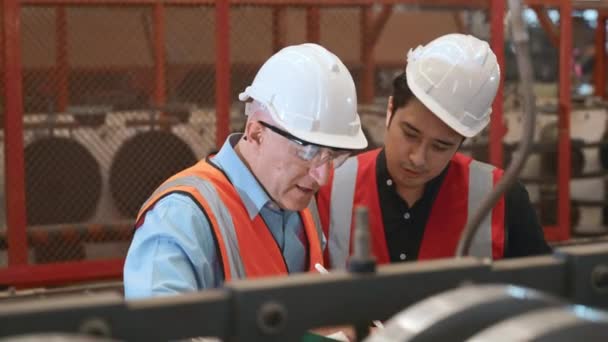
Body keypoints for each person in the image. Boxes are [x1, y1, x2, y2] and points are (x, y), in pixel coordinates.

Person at [123, 43, 368, 298]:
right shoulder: (180, 218)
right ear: (256, 133)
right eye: (308, 152)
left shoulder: (301, 203)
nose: (323, 176)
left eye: (333, 156)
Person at [315, 33, 551, 269]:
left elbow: (543, 293)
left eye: (441, 146)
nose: (418, 158)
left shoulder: (502, 199)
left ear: (461, 141)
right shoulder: (327, 189)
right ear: (390, 110)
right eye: (410, 133)